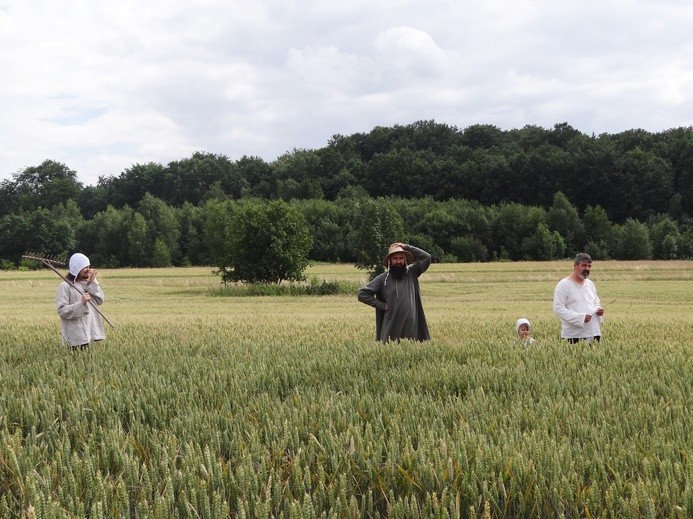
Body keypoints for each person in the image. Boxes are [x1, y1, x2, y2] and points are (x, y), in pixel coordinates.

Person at [358, 242, 431, 343]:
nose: (398, 261)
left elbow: (426, 257)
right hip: (391, 325)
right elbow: (362, 294)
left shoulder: (412, 273)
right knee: (390, 352)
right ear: (389, 261)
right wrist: (382, 306)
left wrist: (405, 247)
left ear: (405, 260)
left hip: (411, 326)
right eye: (395, 259)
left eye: (401, 258)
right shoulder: (382, 279)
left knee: (411, 351)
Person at [56, 252, 106, 351]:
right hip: (75, 338)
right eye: (85, 267)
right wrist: (81, 303)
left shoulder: (86, 284)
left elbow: (100, 300)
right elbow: (62, 311)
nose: (89, 270)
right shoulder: (65, 286)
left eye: (89, 266)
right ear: (76, 269)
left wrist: (92, 282)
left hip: (88, 334)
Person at [553, 252, 605, 343]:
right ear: (575, 266)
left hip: (594, 332)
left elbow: (596, 302)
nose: (587, 269)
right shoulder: (564, 285)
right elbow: (558, 308)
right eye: (584, 265)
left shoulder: (590, 284)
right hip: (573, 335)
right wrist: (580, 318)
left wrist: (598, 310)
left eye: (589, 266)